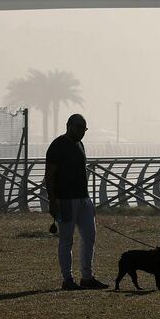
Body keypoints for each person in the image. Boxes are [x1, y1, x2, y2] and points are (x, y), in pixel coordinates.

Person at [45, 112, 108, 290]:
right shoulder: (58, 146)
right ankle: (68, 279)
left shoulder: (80, 144)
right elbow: (49, 175)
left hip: (83, 199)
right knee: (66, 240)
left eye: (84, 128)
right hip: (65, 200)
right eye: (79, 127)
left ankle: (87, 277)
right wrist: (52, 201)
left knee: (89, 236)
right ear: (69, 126)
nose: (82, 131)